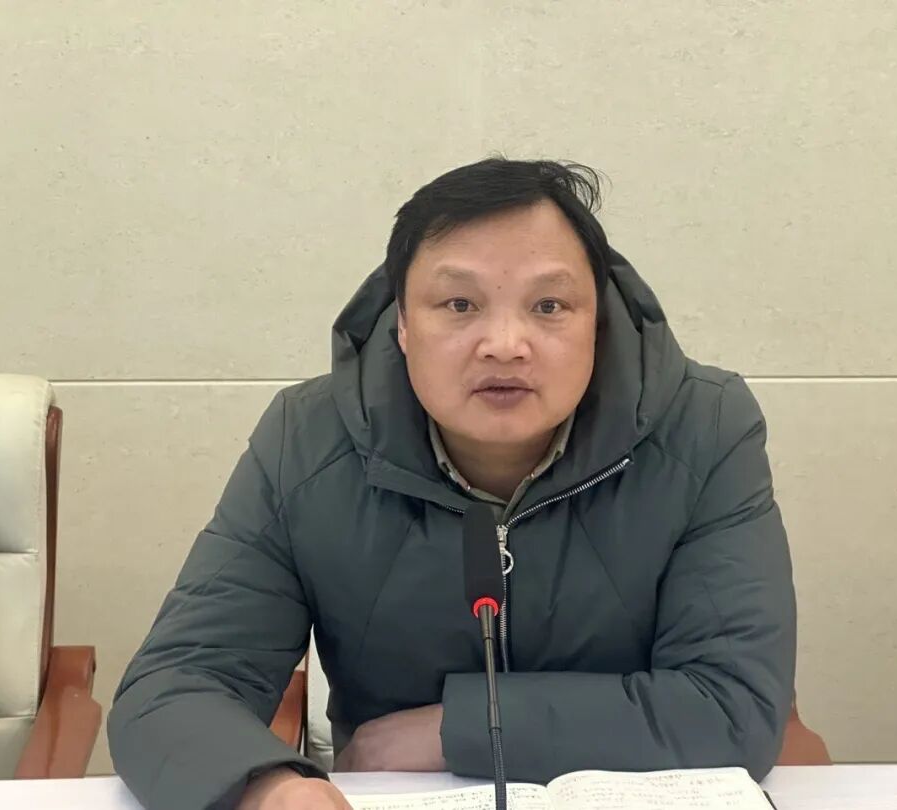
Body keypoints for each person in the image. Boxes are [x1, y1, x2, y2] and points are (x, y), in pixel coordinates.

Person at [108, 159, 797, 810]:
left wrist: (448, 729)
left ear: (600, 322)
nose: (505, 344)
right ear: (403, 324)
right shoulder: (307, 438)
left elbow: (732, 706)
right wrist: (268, 789)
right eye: (459, 304)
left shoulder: (704, 427)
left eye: (549, 305)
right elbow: (175, 687)